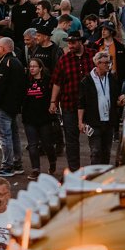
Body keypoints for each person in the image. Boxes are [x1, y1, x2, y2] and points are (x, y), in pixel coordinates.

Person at [49, 33, 91, 173]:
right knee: (71, 140)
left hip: (91, 105)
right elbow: (57, 82)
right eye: (69, 43)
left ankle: (96, 169)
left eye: (73, 43)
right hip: (69, 104)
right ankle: (74, 170)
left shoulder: (93, 56)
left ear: (81, 42)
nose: (70, 46)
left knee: (94, 137)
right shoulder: (64, 60)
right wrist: (53, 102)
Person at [0, 37, 25, 178]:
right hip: (13, 107)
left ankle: (7, 166)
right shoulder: (18, 63)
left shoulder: (3, 63)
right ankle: (17, 163)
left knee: (5, 137)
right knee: (14, 135)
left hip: (2, 107)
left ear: (3, 48)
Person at [78, 50, 121, 165]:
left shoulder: (111, 78)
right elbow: (81, 103)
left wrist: (120, 100)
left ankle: (104, 176)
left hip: (108, 121)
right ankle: (94, 176)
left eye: (109, 62)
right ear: (97, 63)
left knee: (106, 151)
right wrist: (80, 122)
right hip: (93, 122)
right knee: (95, 151)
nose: (108, 65)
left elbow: (116, 96)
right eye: (105, 63)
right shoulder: (86, 81)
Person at [21, 57, 57, 179]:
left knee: (47, 144)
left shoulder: (48, 81)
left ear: (40, 68)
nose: (32, 68)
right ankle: (35, 169)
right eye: (30, 66)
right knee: (32, 144)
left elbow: (54, 94)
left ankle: (52, 162)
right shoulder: (26, 81)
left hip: (44, 117)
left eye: (34, 66)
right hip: (29, 117)